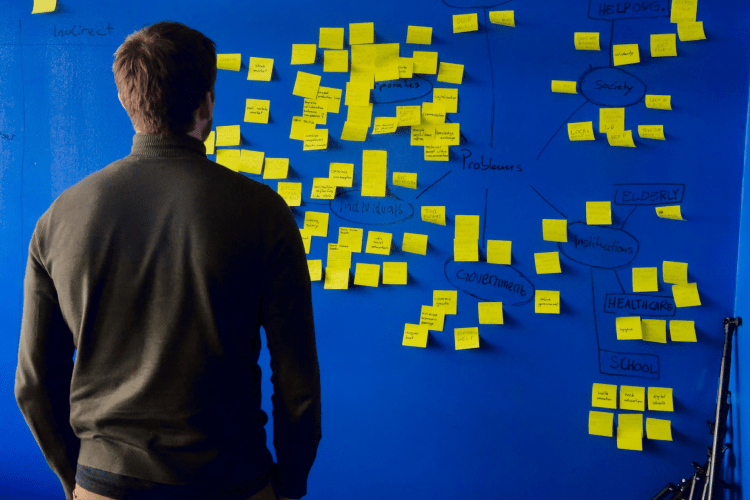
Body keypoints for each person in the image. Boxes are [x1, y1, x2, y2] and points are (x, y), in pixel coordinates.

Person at [15, 21, 321, 500]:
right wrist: (292, 484)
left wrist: (76, 479)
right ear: (206, 103)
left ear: (126, 100)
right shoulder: (263, 212)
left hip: (105, 482)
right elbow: (298, 385)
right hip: (235, 480)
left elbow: (33, 384)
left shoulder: (59, 219)